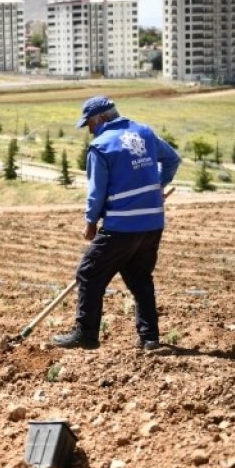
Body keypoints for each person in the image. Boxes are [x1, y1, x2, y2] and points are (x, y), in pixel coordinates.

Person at [52, 95, 181, 351]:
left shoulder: (101, 146)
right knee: (139, 277)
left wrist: (90, 223)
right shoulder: (144, 132)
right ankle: (150, 339)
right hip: (153, 221)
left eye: (89, 123)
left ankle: (86, 335)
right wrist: (157, 186)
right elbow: (172, 159)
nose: (89, 129)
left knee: (89, 273)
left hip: (122, 226)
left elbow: (96, 192)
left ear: (100, 118)